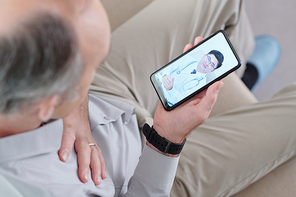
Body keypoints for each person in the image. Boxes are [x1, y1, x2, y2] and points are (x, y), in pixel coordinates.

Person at [1, 1, 296, 197]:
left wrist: (77, 105)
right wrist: (167, 141)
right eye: (87, 71)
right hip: (144, 173)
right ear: (47, 103)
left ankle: (239, 65)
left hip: (106, 97)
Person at [158, 50, 224, 105]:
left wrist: (171, 89)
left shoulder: (201, 85)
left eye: (212, 64)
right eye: (208, 58)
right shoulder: (187, 59)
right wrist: (165, 75)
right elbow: (169, 67)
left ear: (212, 70)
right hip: (159, 82)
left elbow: (182, 100)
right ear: (204, 56)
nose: (207, 63)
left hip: (166, 100)